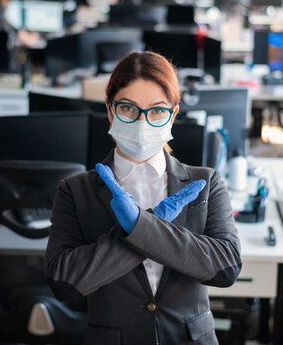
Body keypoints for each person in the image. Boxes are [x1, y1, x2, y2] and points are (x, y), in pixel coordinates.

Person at [45, 51, 241, 344]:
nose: (142, 122)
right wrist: (149, 227)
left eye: (158, 110)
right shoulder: (75, 191)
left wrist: (141, 225)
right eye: (128, 108)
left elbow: (225, 267)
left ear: (173, 115)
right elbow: (64, 282)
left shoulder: (205, 182)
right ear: (110, 111)